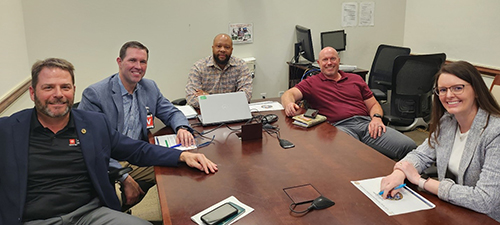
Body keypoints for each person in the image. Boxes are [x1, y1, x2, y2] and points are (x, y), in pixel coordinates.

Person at [0, 58, 218, 224]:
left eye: (65, 87)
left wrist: (182, 155)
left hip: (89, 214)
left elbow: (137, 151)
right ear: (32, 93)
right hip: (33, 219)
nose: (58, 94)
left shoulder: (93, 124)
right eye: (48, 87)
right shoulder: (8, 130)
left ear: (73, 90)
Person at [78, 41, 194, 209]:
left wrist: (182, 127)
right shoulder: (95, 94)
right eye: (132, 60)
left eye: (143, 62)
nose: (138, 66)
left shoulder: (149, 87)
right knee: (114, 198)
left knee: (182, 170)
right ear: (119, 62)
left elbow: (172, 112)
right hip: (108, 161)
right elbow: (90, 145)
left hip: (137, 156)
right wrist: (124, 177)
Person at [379, 61, 500, 222]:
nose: (449, 95)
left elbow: (484, 200)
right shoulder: (447, 122)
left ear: (476, 90)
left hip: (486, 218)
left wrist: (421, 181)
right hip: (452, 210)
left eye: (458, 88)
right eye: (442, 90)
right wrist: (399, 173)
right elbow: (421, 155)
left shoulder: (495, 132)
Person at [281, 47, 416, 160]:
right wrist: (289, 104)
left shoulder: (355, 79)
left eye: (333, 58)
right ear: (319, 63)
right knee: (351, 156)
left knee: (409, 146)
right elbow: (289, 94)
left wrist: (376, 118)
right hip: (338, 128)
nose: (329, 63)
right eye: (325, 60)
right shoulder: (312, 82)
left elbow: (374, 104)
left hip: (366, 125)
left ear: (339, 61)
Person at [185, 33, 252, 108]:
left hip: (232, 112)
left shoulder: (241, 66)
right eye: (219, 46)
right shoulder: (198, 67)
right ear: (213, 48)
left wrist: (208, 97)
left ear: (231, 50)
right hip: (206, 112)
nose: (222, 50)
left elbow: (246, 96)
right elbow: (191, 99)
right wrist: (231, 100)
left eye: (227, 47)